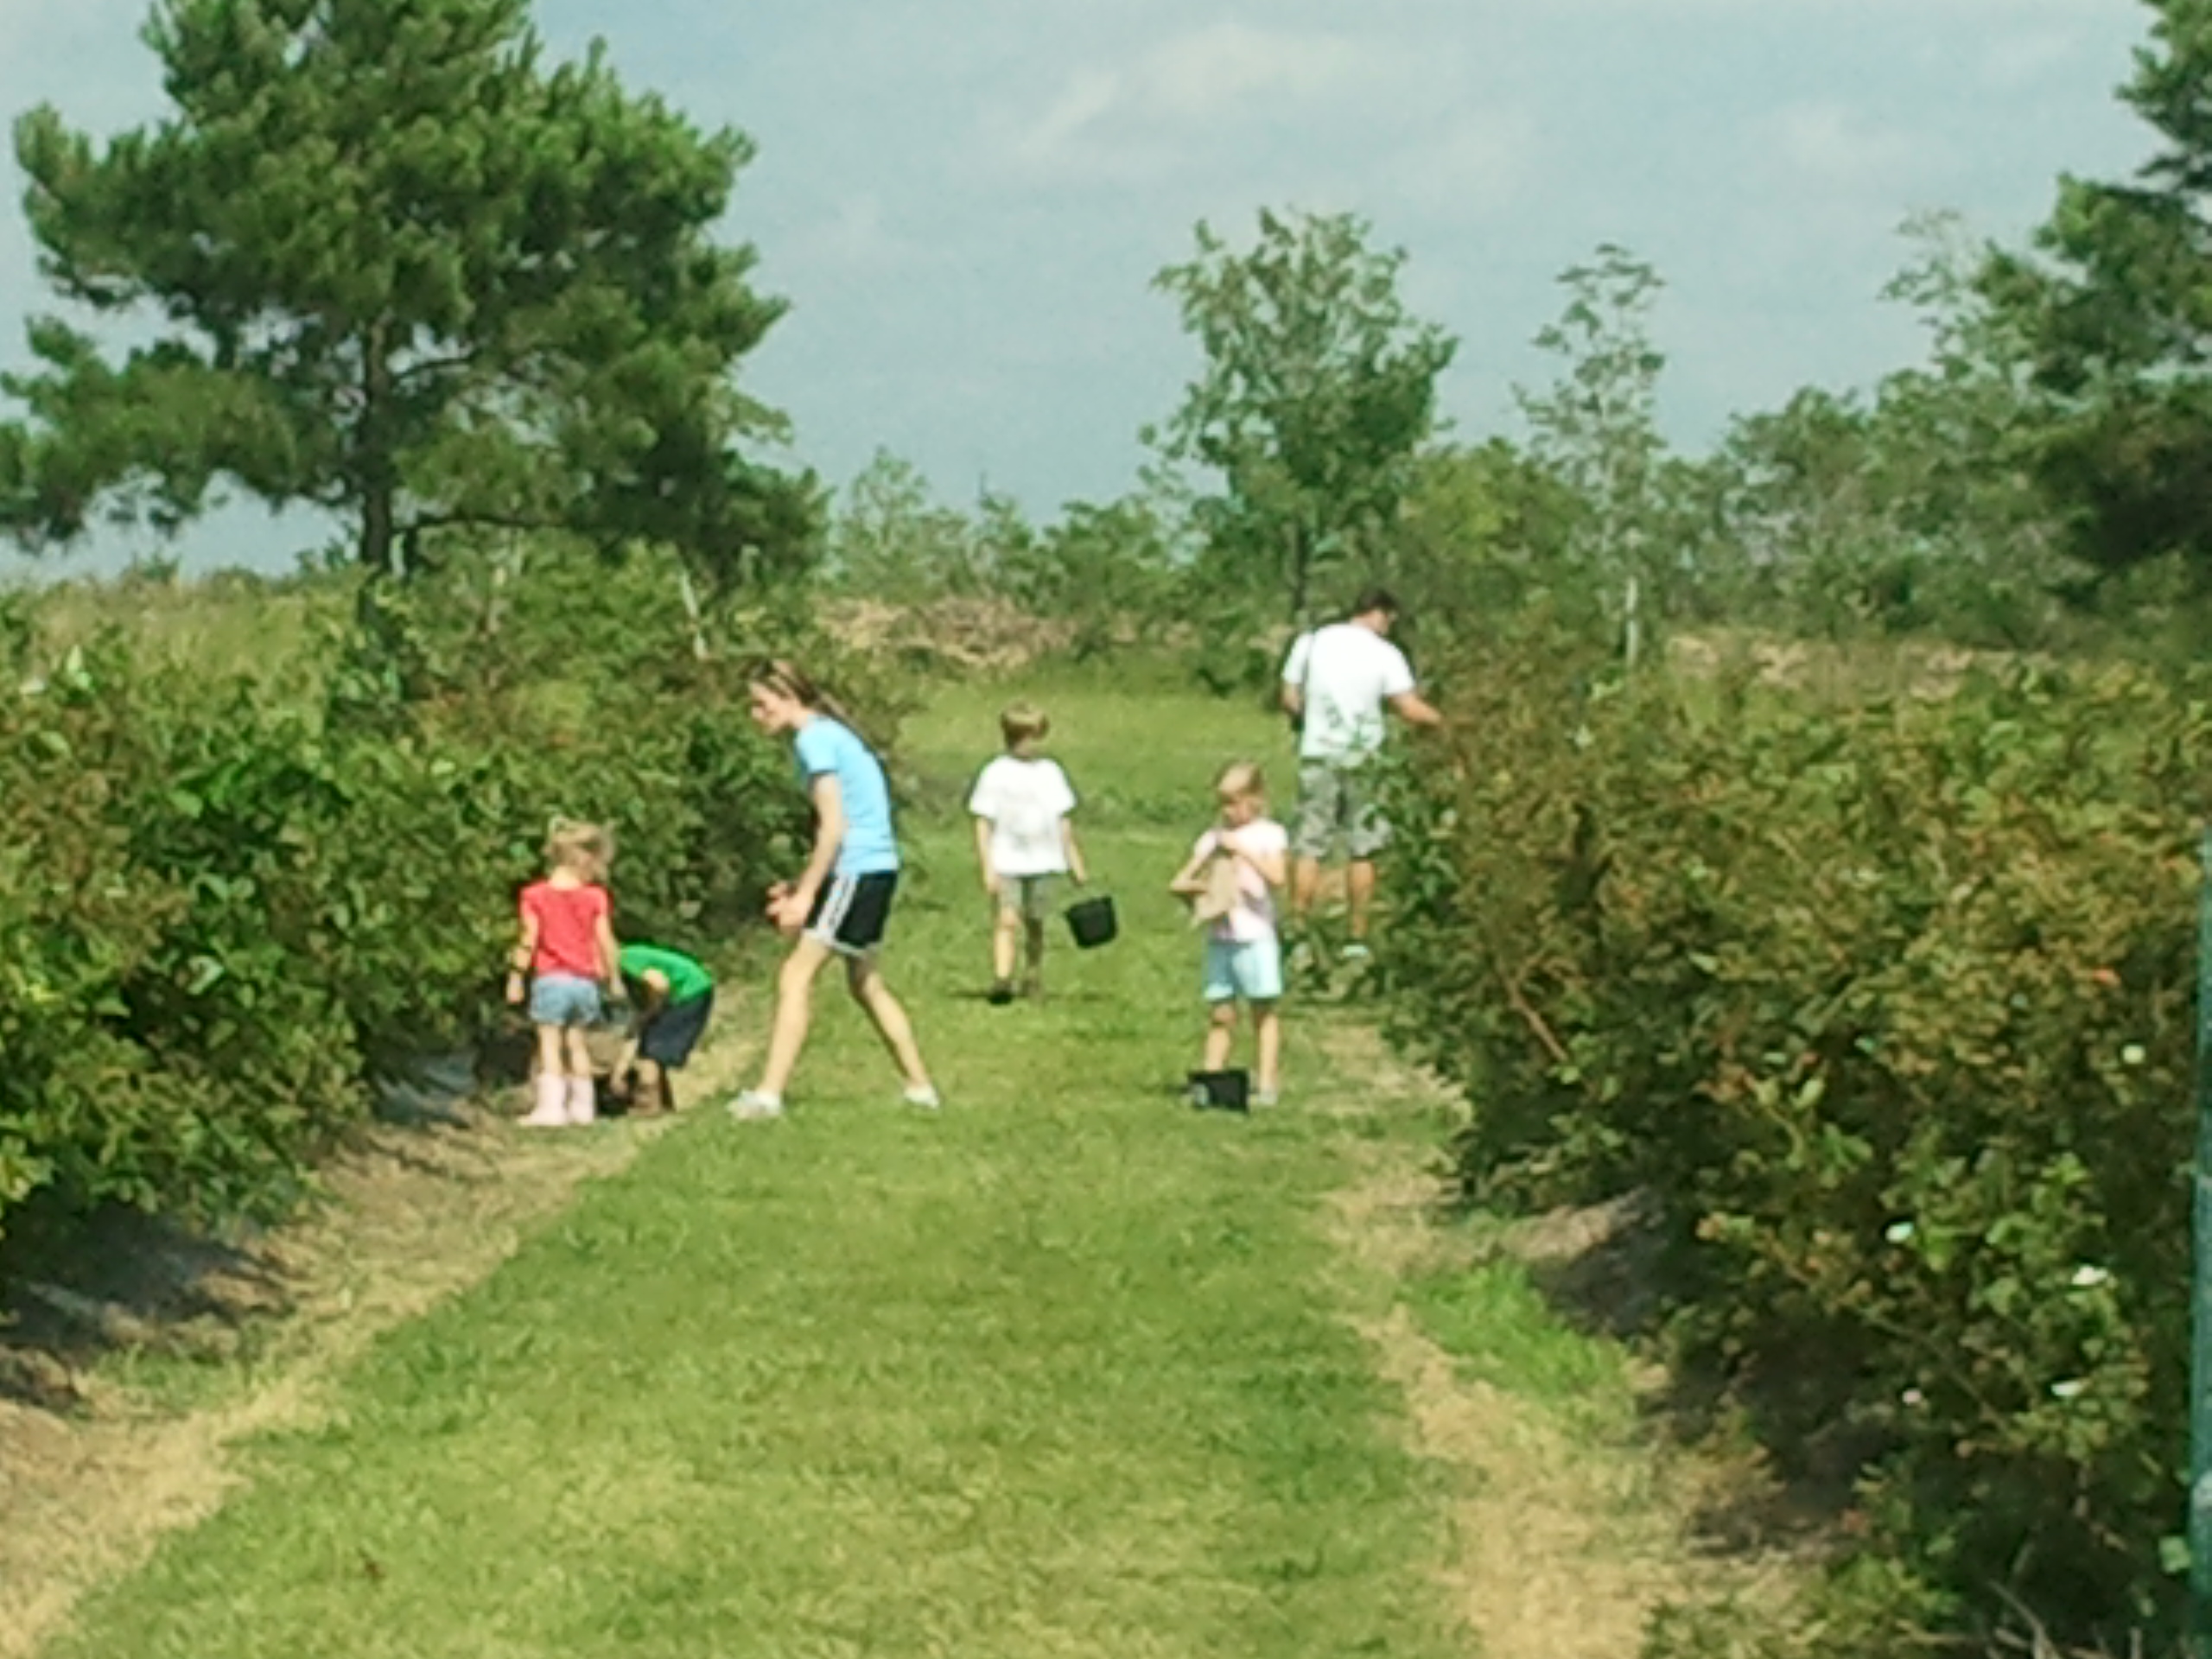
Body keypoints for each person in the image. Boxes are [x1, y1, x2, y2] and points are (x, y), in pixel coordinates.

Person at [730, 660, 940, 1119]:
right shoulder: (831, 735)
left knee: (794, 977)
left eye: (761, 704)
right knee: (866, 982)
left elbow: (834, 828)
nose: (755, 715)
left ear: (788, 698)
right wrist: (802, 884)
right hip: (874, 869)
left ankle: (769, 1095)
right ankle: (920, 1087)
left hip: (857, 869)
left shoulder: (814, 739)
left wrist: (805, 896)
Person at [1278, 587, 1442, 959]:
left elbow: (1289, 697)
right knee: (1362, 849)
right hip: (1366, 759)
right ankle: (1357, 937)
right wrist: (1448, 723)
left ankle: (1300, 930)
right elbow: (1408, 706)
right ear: (1381, 614)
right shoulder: (1386, 654)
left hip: (1318, 753)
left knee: (1310, 844)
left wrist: (1307, 721)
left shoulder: (1312, 642)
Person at [1170, 761, 1290, 1106]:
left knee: (1262, 1010)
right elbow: (1181, 879)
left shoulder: (1269, 835)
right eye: (1224, 803)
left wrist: (1244, 853)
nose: (1230, 811)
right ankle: (1211, 1078)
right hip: (1222, 937)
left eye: (1236, 802)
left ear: (1256, 799)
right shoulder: (1212, 839)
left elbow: (1278, 879)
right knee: (1220, 1011)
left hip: (1255, 935)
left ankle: (1267, 1081)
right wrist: (1196, 887)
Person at [968, 701, 1090, 1005]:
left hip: (1044, 860)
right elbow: (983, 822)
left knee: (1036, 921)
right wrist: (987, 866)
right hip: (1007, 859)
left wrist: (1074, 860)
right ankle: (1002, 978)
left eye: (1033, 737)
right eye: (1021, 737)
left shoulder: (1050, 773)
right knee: (1006, 920)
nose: (1027, 744)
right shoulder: (995, 773)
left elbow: (1063, 822)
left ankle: (1032, 974)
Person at [507, 819, 620, 1128]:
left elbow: (528, 940)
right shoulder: (595, 897)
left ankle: (551, 1108)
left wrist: (516, 977)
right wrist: (614, 978)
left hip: (552, 979)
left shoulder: (535, 896)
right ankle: (583, 1109)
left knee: (549, 1042)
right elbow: (605, 941)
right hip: (585, 982)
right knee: (577, 1042)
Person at [611, 941, 715, 1116]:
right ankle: (665, 1103)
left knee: (652, 1052)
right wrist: (619, 1073)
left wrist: (653, 1010)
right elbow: (634, 1034)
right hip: (694, 987)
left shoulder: (626, 962)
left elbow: (660, 985)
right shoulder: (628, 958)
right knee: (651, 1045)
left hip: (689, 991)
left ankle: (651, 1105)